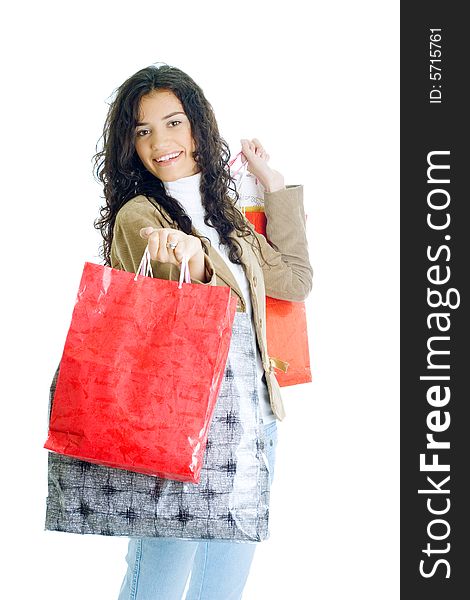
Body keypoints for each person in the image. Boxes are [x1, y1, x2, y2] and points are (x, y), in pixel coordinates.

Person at [92, 64, 313, 600]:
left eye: (173, 123)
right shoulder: (138, 215)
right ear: (130, 145)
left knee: (222, 587)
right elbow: (159, 312)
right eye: (142, 131)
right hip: (176, 427)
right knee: (158, 582)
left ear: (197, 126)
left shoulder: (224, 210)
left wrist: (274, 186)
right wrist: (187, 263)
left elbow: (294, 280)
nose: (160, 142)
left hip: (253, 418)